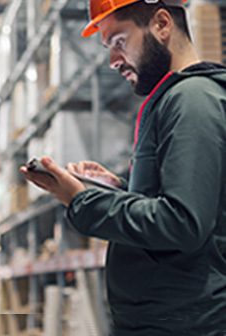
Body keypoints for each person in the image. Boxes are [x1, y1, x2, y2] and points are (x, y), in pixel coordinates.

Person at [20, 0, 226, 335]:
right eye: (108, 48)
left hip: (188, 324)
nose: (113, 61)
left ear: (161, 24)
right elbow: (190, 201)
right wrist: (120, 188)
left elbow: (183, 223)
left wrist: (81, 200)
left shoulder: (192, 99)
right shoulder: (177, 98)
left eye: (119, 42)